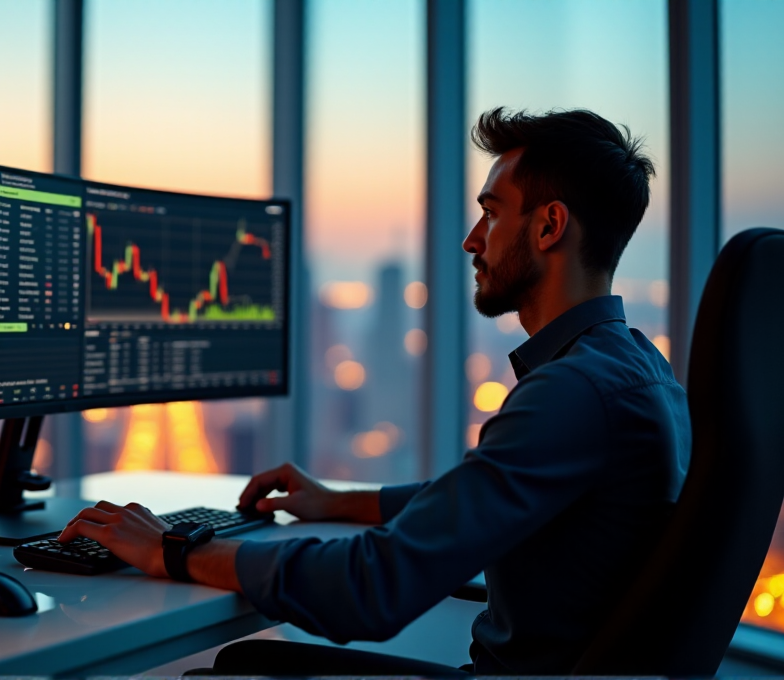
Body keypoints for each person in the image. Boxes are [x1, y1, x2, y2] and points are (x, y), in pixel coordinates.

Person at [57, 107, 691, 675]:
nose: (472, 238)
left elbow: (373, 587)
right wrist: (341, 501)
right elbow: (490, 494)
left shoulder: (572, 393)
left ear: (550, 226)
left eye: (492, 213)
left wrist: (174, 547)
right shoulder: (636, 368)